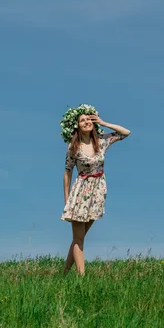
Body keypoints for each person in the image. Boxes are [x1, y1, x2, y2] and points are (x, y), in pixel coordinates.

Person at [60, 105, 130, 275]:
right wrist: (67, 200)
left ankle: (63, 274)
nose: (86, 122)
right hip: (81, 192)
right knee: (78, 239)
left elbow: (125, 133)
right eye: (82, 120)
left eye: (88, 119)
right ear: (77, 126)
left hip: (97, 192)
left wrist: (103, 122)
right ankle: (81, 278)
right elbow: (67, 172)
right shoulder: (73, 147)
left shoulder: (101, 141)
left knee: (80, 237)